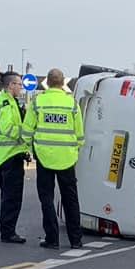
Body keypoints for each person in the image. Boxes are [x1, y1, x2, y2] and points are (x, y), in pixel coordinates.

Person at [22, 68, 84, 250]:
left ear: (47, 83)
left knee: (47, 198)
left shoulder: (38, 102)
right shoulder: (71, 104)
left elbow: (27, 130)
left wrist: (26, 147)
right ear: (63, 82)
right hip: (67, 158)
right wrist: (74, 150)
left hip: (44, 157)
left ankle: (52, 239)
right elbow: (80, 134)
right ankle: (76, 240)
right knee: (70, 199)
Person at [0, 72, 29, 244]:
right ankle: (8, 232)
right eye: (19, 84)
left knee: (8, 195)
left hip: (7, 155)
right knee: (12, 197)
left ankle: (7, 230)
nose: (21, 87)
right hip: (9, 155)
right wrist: (26, 137)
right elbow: (8, 128)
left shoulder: (10, 101)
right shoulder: (5, 103)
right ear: (11, 85)